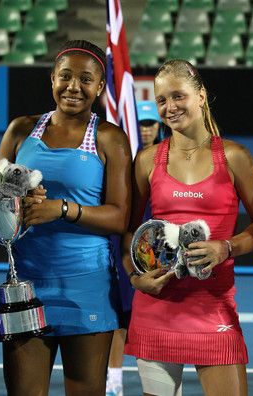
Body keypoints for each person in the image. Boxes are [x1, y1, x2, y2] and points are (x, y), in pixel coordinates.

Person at [0, 40, 132, 395]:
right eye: (65, 76)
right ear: (52, 78)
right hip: (25, 284)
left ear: (100, 87)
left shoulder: (109, 137)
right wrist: (16, 201)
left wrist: (63, 208)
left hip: (87, 286)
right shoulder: (21, 129)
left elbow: (119, 218)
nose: (73, 87)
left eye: (85, 79)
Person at [122, 59, 253, 396]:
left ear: (201, 95)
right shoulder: (147, 160)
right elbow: (129, 232)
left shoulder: (235, 156)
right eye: (162, 100)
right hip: (156, 308)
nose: (170, 107)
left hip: (213, 305)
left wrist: (227, 248)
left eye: (179, 96)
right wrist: (135, 277)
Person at [106, 100, 164, 396]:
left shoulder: (167, 160)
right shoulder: (121, 158)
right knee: (120, 314)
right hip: (122, 242)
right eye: (140, 124)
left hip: (156, 247)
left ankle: (157, 385)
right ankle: (114, 384)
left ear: (158, 127)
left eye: (150, 124)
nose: (145, 129)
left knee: (153, 316)